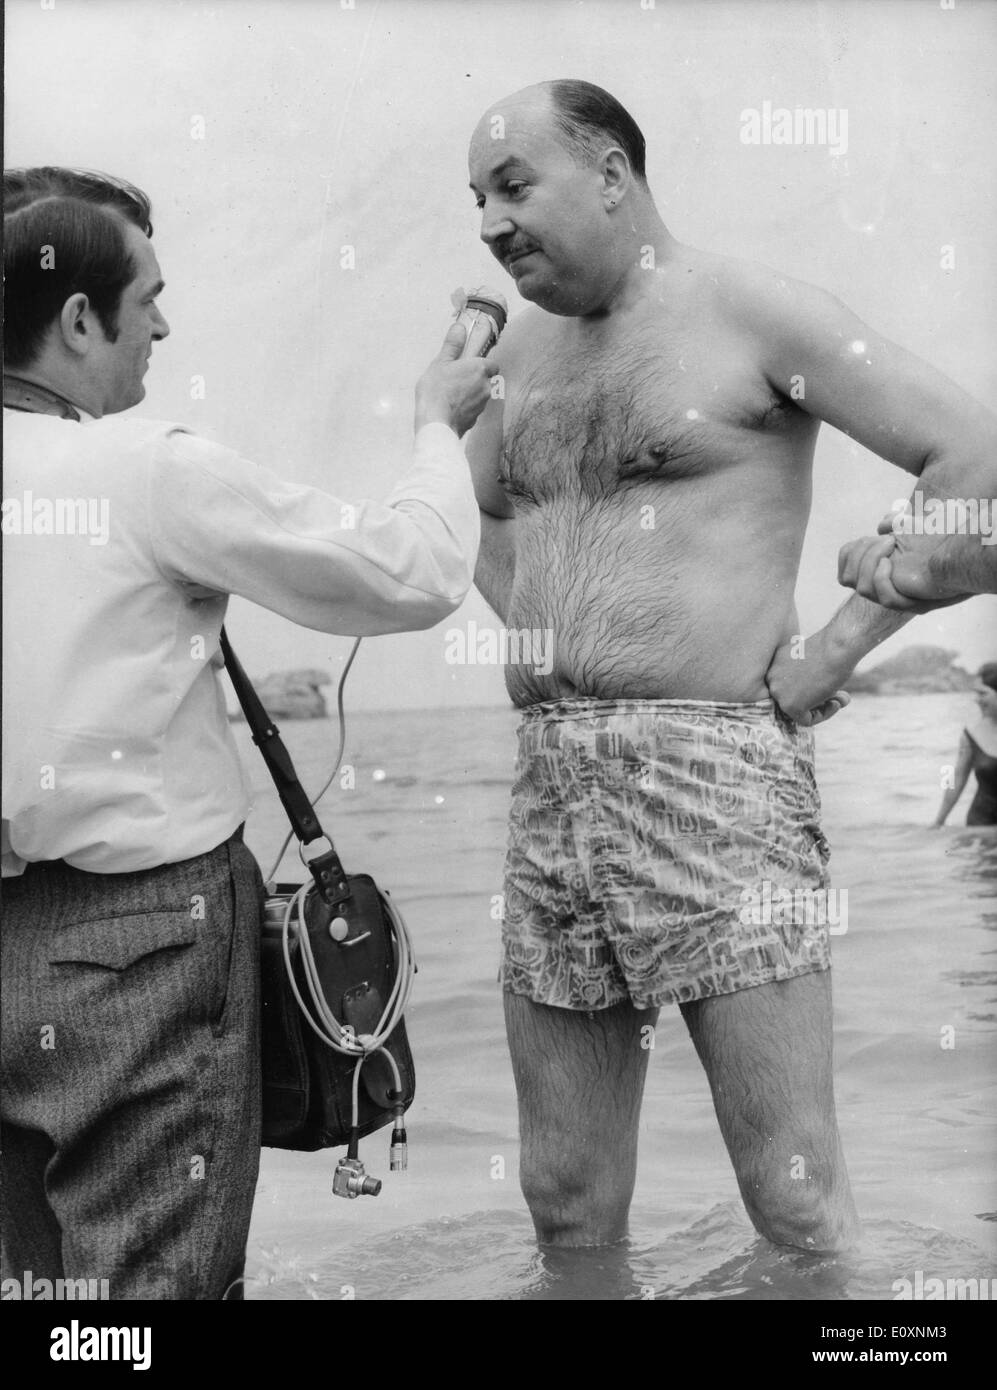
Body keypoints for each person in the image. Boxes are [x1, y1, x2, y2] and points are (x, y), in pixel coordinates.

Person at [464, 80, 997, 1252]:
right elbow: (496, 535)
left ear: (611, 173)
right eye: (476, 202)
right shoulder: (508, 359)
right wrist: (563, 652)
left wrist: (833, 652)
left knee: (794, 1196)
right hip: (551, 791)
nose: (492, 224)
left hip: (718, 776)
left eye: (514, 188)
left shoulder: (756, 311)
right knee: (562, 1202)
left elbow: (973, 458)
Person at [1, 166, 496, 1300]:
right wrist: (435, 429)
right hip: (139, 936)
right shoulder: (146, 469)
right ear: (77, 319)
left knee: (38, 1292)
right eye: (149, 297)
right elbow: (408, 573)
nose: (165, 324)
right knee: (155, 1288)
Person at [932, 664, 997, 827]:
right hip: (981, 827)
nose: (977, 699)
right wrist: (939, 820)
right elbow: (956, 778)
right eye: (976, 693)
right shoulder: (971, 734)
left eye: (983, 693)